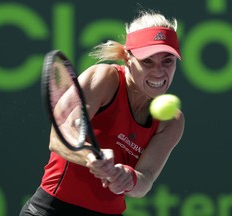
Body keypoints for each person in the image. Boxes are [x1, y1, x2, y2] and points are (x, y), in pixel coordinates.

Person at [19, 9, 185, 216]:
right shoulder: (104, 79)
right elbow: (58, 137)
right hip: (52, 209)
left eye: (167, 61)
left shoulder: (171, 121)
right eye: (147, 61)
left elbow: (146, 178)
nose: (159, 72)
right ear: (127, 58)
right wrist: (90, 157)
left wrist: (129, 178)